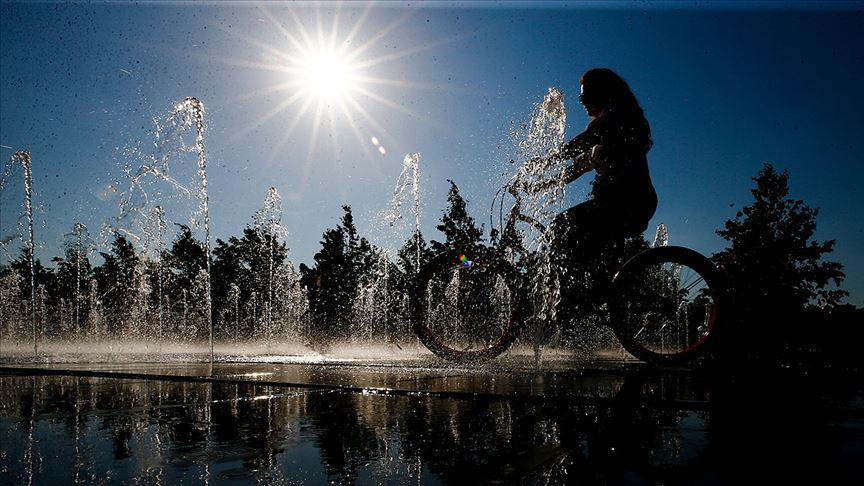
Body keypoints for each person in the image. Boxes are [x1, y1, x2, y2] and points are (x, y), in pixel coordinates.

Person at [534, 67, 657, 260]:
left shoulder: (619, 116)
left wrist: (543, 163)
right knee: (583, 252)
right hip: (620, 203)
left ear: (603, 92)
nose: (581, 100)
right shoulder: (604, 133)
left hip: (629, 201)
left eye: (585, 94)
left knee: (560, 227)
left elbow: (585, 140)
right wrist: (539, 187)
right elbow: (576, 169)